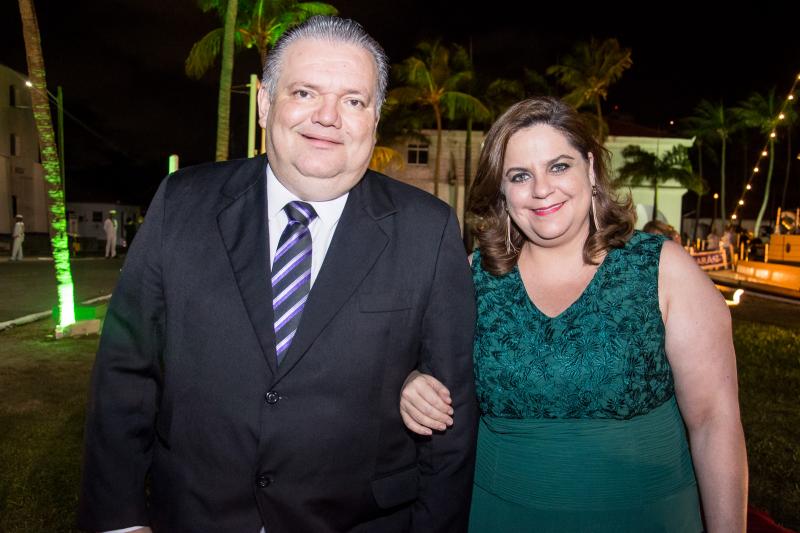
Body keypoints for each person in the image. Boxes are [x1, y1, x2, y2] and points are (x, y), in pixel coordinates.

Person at [78, 16, 477, 533]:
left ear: (375, 118)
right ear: (265, 104)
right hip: (193, 514)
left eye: (353, 101)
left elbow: (450, 416)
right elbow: (126, 370)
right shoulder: (182, 203)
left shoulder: (429, 229)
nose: (327, 117)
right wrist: (119, 520)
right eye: (305, 92)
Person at [400, 97, 747, 532]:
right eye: (520, 175)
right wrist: (411, 382)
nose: (541, 189)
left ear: (591, 169)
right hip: (499, 518)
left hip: (647, 518)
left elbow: (715, 422)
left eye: (559, 166)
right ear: (502, 191)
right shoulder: (472, 276)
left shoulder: (663, 268)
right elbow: (419, 362)